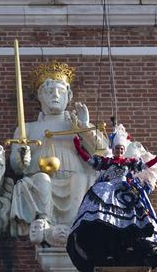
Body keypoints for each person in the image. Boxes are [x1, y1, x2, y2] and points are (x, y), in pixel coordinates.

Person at [9, 62, 108, 244]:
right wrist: (22, 157)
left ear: (69, 95)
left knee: (80, 179)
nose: (55, 96)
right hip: (41, 178)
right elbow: (17, 165)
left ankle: (75, 225)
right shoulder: (27, 129)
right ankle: (44, 220)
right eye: (49, 91)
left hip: (75, 178)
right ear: (40, 95)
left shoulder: (76, 124)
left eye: (60, 92)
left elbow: (102, 152)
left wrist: (85, 126)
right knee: (41, 180)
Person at [66, 125, 157, 272]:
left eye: (122, 149)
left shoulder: (130, 163)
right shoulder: (107, 162)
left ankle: (128, 240)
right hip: (108, 190)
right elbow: (89, 160)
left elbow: (145, 166)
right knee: (100, 202)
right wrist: (78, 146)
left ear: (124, 149)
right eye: (117, 149)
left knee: (135, 211)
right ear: (113, 149)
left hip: (125, 191)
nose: (119, 151)